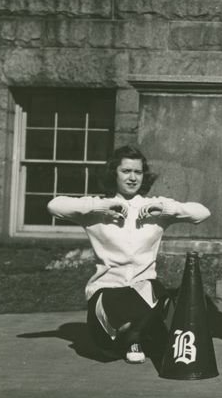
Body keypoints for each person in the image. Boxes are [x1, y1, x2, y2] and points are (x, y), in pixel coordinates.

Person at [47, 146, 211, 364]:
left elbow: (202, 213)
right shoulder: (98, 209)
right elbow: (54, 206)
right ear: (113, 173)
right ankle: (132, 334)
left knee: (153, 290)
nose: (133, 178)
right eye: (126, 171)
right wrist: (101, 206)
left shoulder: (154, 207)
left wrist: (164, 208)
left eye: (138, 172)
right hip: (107, 292)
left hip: (144, 290)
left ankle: (133, 336)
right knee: (114, 342)